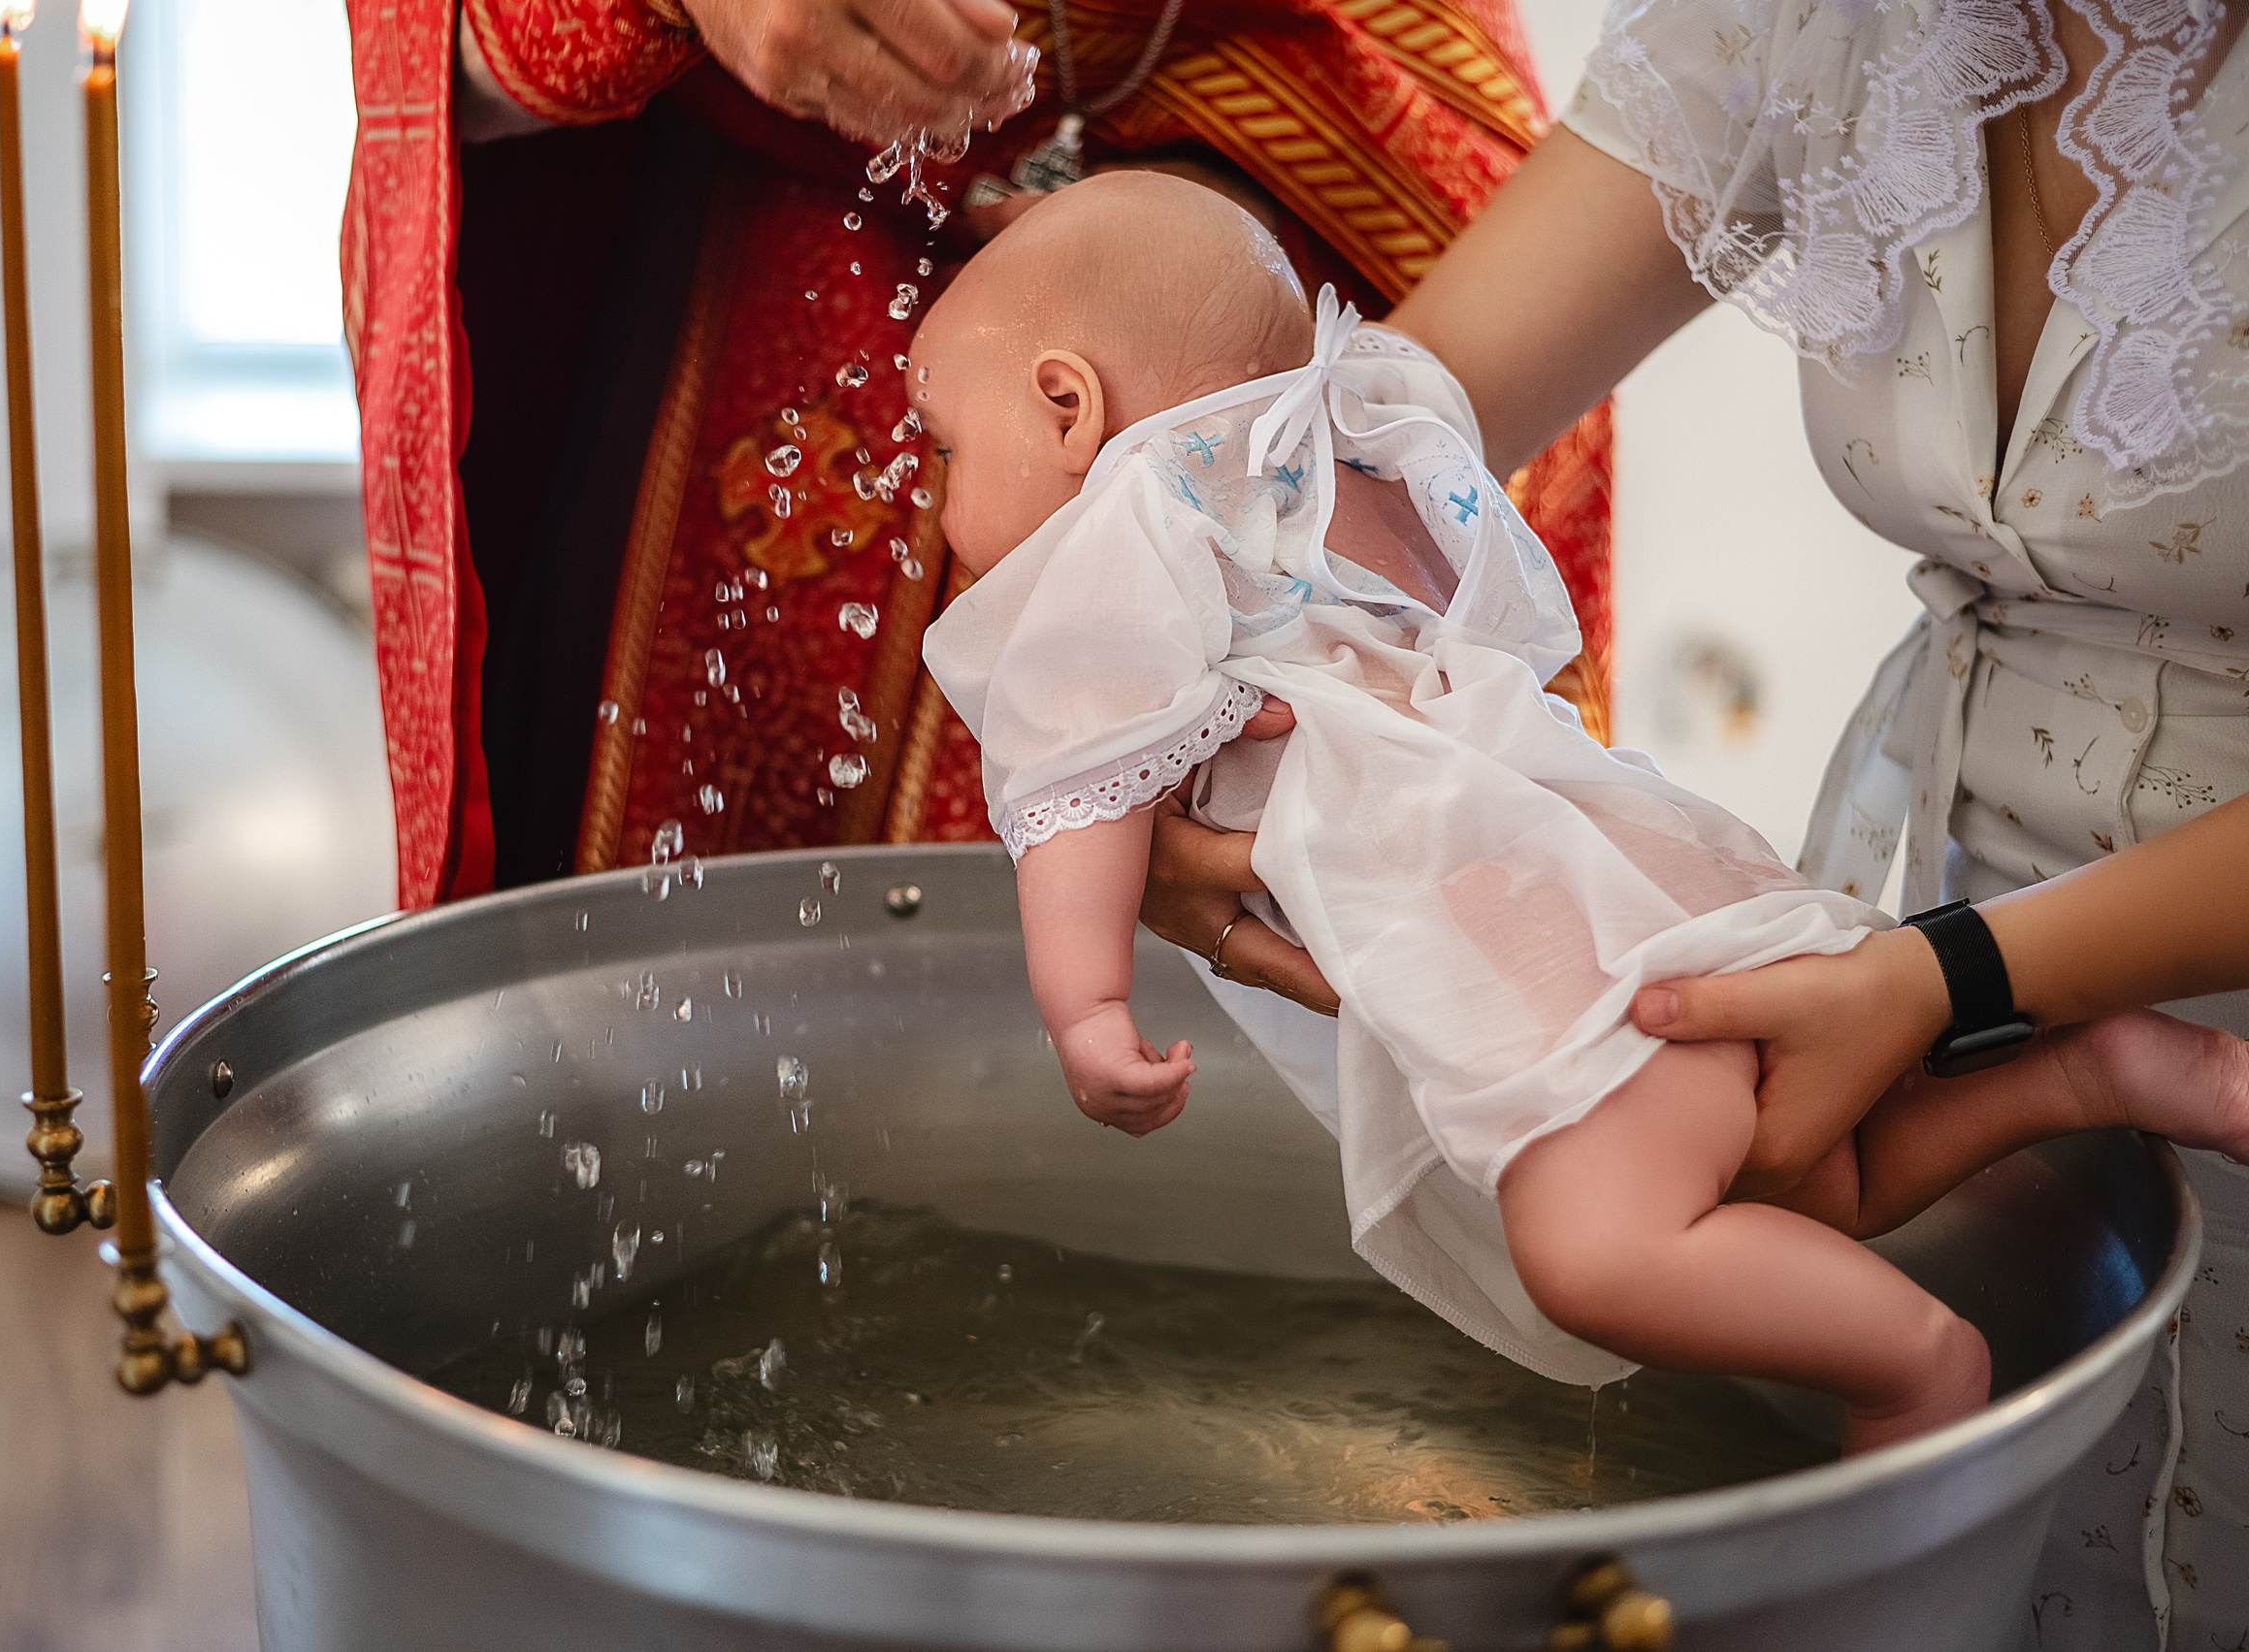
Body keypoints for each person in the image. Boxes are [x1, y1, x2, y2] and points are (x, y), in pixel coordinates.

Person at [1138, 0, 2249, 1639]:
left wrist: (1948, 983)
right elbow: (1393, 430)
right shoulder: (1838, 19)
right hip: (1950, 933)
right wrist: (1167, 639)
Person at [909, 171, 2249, 1454]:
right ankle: (2093, 1066)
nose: (932, 494)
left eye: (947, 445)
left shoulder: (1116, 542)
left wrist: (1086, 1010)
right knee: (1806, 1178)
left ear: (1067, 406)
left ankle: (1914, 1367)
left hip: (1563, 977)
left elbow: (1076, 795)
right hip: (1662, 881)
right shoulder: (1356, 447)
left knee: (1597, 1255)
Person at [341, 0, 1617, 912]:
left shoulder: (1357, 420)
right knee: (695, 1013)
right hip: (759, 272)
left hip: (1281, 222)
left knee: (1301, 907)